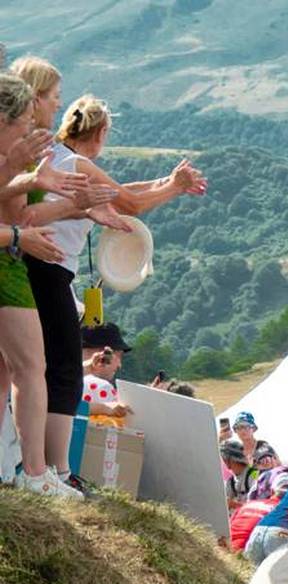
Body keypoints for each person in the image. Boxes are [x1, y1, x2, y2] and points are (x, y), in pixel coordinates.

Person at [31, 92, 205, 485]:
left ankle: (37, 463)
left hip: (38, 266)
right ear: (102, 131)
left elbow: (122, 189)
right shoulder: (76, 164)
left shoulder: (59, 158)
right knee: (62, 373)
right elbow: (128, 202)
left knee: (34, 369)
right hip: (52, 269)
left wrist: (166, 181)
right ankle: (55, 470)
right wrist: (174, 187)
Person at [0, 73, 79, 498]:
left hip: (11, 261)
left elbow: (24, 216)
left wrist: (76, 205)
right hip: (7, 266)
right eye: (25, 121)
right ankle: (34, 473)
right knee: (32, 368)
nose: (31, 129)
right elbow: (15, 222)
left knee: (14, 370)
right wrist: (17, 237)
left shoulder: (15, 158)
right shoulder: (11, 157)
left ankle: (16, 469)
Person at [222, 439, 259, 511]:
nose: (223, 461)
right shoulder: (231, 481)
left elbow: (258, 506)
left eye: (223, 458)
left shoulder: (254, 474)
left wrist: (234, 504)